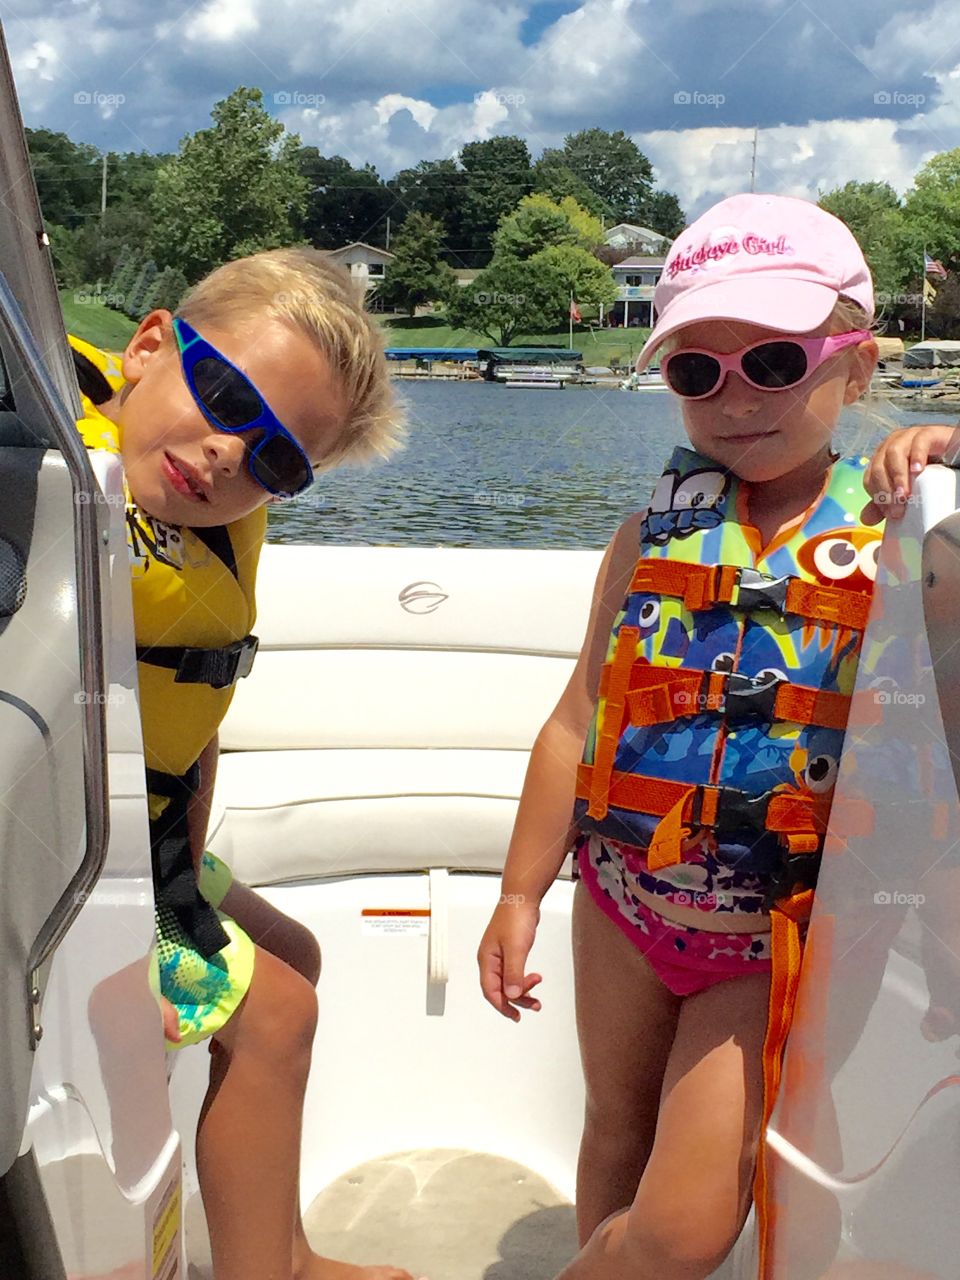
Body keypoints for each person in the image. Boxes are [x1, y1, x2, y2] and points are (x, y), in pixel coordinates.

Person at [478, 193, 881, 1280]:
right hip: (621, 895)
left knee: (685, 1225)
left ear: (859, 364)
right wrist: (521, 888)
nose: (734, 399)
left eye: (775, 362)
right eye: (697, 372)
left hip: (767, 933)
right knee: (615, 1125)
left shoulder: (897, 533)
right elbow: (577, 721)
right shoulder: (648, 534)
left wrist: (939, 463)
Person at [72, 247, 413, 1280]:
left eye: (275, 460)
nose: (226, 454)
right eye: (222, 393)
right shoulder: (68, 497)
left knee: (294, 951)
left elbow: (198, 713)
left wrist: (189, 882)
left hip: (152, 844)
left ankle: (282, 1243)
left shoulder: (220, 519)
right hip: (78, 867)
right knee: (280, 1014)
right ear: (146, 346)